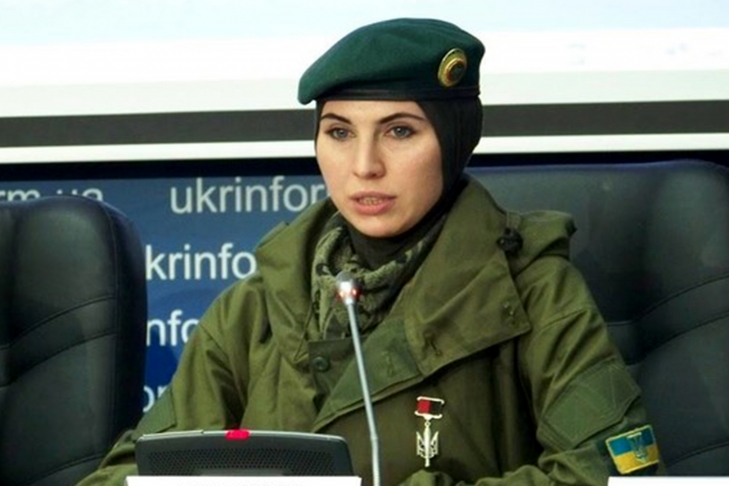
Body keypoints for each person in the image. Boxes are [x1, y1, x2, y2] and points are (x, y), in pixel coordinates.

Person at [77, 18, 662, 486]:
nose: (364, 166)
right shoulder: (258, 304)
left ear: (453, 139)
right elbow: (131, 473)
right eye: (339, 132)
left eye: (399, 131)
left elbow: (615, 471)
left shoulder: (532, 288)